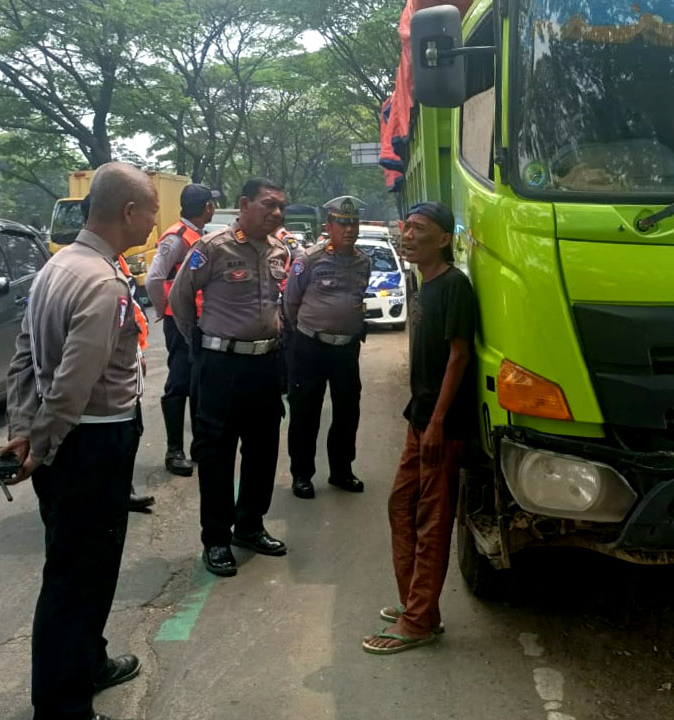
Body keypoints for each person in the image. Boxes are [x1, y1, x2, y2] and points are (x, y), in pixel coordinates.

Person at [0, 162, 156, 719]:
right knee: (77, 579)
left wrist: (24, 431)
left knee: (78, 565)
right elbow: (74, 381)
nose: (155, 220)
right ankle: (63, 707)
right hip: (90, 444)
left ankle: (89, 662)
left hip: (63, 441)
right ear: (129, 213)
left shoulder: (59, 264)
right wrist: (42, 444)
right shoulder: (103, 280)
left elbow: (23, 358)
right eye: (152, 209)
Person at [363, 202, 475, 655]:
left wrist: (437, 423)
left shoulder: (454, 286)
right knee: (400, 505)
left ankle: (420, 620)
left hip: (440, 425)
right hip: (421, 417)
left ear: (444, 239)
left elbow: (459, 355)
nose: (408, 235)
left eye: (420, 229)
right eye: (406, 227)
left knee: (431, 520)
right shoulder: (421, 283)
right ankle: (418, 604)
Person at [169, 177, 290, 577]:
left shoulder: (279, 250)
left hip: (264, 365)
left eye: (280, 207)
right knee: (217, 454)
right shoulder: (213, 248)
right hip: (221, 367)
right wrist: (198, 344)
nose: (276, 213)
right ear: (243, 204)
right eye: (268, 204)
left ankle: (250, 525)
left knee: (263, 449)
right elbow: (179, 298)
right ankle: (217, 539)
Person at [282, 196, 372, 499]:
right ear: (328, 226)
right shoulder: (309, 259)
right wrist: (307, 333)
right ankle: (302, 475)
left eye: (353, 223)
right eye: (343, 223)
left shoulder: (363, 260)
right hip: (310, 348)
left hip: (346, 350)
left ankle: (342, 470)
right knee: (306, 413)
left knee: (348, 411)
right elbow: (290, 303)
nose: (349, 229)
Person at [81, 192, 155, 513]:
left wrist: (138, 351)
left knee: (131, 428)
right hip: (105, 374)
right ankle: (107, 493)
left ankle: (122, 488)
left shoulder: (118, 259)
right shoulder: (90, 265)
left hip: (127, 359)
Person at [146, 183, 220, 477]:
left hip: (199, 320)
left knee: (199, 383)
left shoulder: (196, 236)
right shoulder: (176, 237)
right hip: (180, 321)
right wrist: (168, 309)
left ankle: (199, 447)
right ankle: (174, 451)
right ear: (206, 208)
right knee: (179, 383)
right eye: (212, 204)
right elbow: (154, 279)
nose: (213, 208)